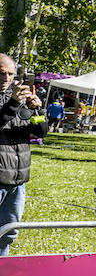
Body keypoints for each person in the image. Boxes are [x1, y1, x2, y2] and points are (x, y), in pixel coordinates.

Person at [0, 55, 47, 256]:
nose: (6, 78)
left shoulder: (19, 98)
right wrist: (13, 103)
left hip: (18, 179)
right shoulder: (14, 100)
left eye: (10, 73)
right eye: (1, 73)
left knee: (8, 233)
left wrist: (37, 109)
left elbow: (41, 132)